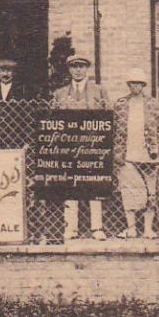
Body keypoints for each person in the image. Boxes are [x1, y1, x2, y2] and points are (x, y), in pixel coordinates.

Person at [52, 53, 111, 240]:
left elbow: (108, 118)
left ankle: (97, 228)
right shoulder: (60, 94)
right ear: (69, 69)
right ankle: (71, 228)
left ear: (87, 69)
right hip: (69, 147)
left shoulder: (99, 91)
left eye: (81, 66)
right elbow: (54, 121)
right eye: (74, 66)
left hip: (93, 146)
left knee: (94, 185)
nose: (78, 70)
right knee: (70, 186)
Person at [112, 68, 159, 240]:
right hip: (126, 154)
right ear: (129, 85)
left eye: (139, 83)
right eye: (132, 83)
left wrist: (158, 148)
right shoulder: (120, 104)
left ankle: (148, 229)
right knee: (129, 191)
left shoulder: (152, 103)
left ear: (143, 85)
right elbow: (114, 129)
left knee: (150, 191)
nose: (135, 86)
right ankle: (132, 228)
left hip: (149, 154)